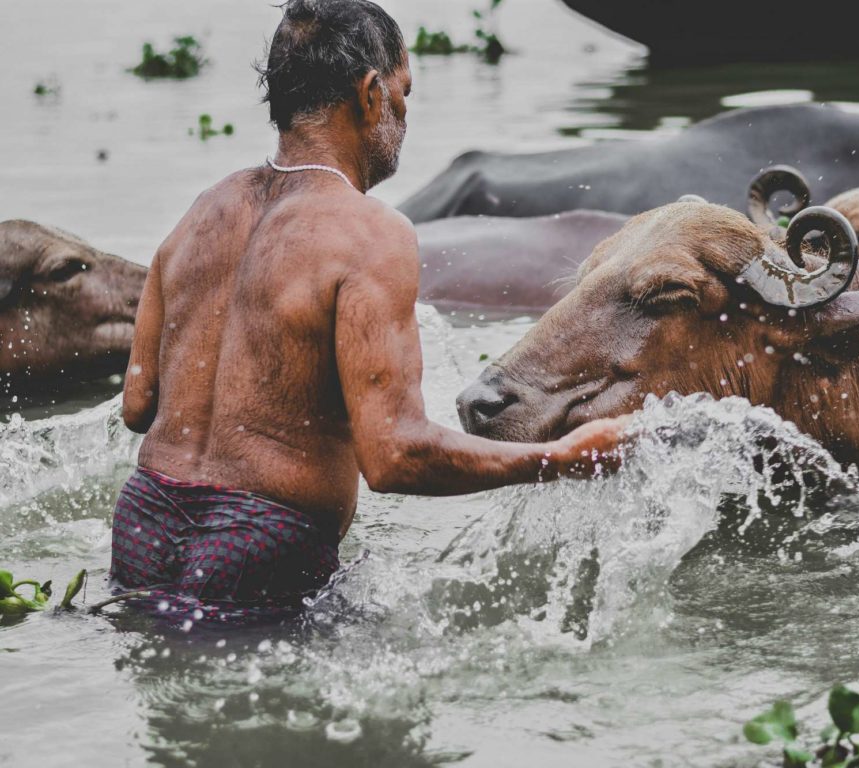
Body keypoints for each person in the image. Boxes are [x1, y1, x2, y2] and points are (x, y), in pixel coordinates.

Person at [111, 0, 629, 621]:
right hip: (259, 543)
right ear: (370, 94)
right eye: (404, 92)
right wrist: (561, 459)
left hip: (142, 523)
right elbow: (395, 456)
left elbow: (138, 406)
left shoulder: (201, 213)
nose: (405, 113)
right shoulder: (369, 233)